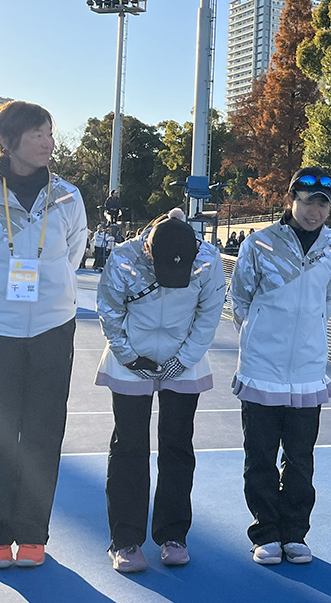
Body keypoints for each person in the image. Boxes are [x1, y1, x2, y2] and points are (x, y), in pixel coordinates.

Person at [0, 100, 87, 570]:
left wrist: (51, 293)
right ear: (7, 142)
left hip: (54, 328)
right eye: (37, 134)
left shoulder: (68, 197)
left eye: (50, 133)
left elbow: (73, 254)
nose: (48, 142)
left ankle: (32, 536)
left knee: (44, 433)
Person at [228, 166, 331, 566]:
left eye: (322, 204)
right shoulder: (259, 243)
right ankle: (265, 532)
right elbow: (240, 299)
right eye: (307, 202)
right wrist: (261, 334)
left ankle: (295, 533)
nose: (315, 211)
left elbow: (328, 300)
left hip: (308, 371)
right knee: (260, 455)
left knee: (300, 458)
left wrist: (308, 335)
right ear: (289, 200)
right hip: (261, 367)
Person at [95, 208, 226, 573]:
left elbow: (209, 313)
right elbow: (109, 309)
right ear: (149, 251)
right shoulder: (123, 256)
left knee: (177, 445)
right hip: (130, 357)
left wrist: (183, 360)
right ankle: (125, 539)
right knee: (129, 446)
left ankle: (173, 535)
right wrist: (128, 356)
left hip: (184, 358)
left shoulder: (209, 259)